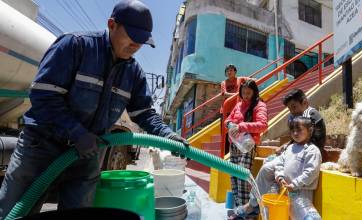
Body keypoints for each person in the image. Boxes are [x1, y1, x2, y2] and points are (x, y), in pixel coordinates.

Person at [0, 1, 188, 218]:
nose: (137, 44)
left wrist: (168, 136)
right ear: (112, 25)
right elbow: (44, 96)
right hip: (41, 148)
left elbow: (144, 113)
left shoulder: (134, 73)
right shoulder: (75, 46)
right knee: (15, 212)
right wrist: (77, 133)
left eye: (142, 40)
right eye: (132, 36)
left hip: (87, 155)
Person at [230, 117, 322, 220]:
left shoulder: (312, 150)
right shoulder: (290, 148)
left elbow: (311, 172)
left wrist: (295, 184)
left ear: (310, 131)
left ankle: (251, 206)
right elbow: (280, 163)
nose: (295, 133)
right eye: (292, 130)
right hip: (285, 190)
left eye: (299, 130)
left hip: (301, 192)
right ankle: (253, 204)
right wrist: (280, 176)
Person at [225, 79, 268, 207]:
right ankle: (239, 208)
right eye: (243, 92)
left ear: (254, 92)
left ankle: (245, 211)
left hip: (248, 145)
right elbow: (227, 120)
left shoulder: (259, 105)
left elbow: (263, 125)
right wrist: (229, 124)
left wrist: (242, 126)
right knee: (233, 176)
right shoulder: (238, 105)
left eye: (248, 93)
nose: (245, 95)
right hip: (234, 145)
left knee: (242, 177)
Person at [220, 64, 250, 155]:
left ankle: (235, 153)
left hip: (237, 111)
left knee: (236, 132)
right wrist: (238, 94)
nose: (229, 72)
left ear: (235, 72)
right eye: (227, 71)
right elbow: (224, 94)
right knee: (224, 134)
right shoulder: (224, 82)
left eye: (231, 70)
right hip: (225, 111)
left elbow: (251, 81)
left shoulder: (240, 79)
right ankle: (225, 155)